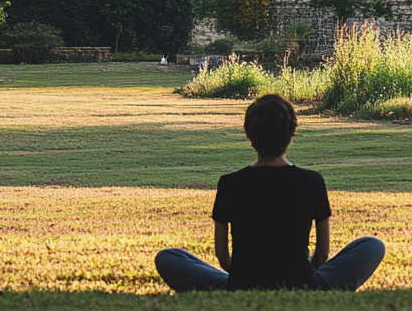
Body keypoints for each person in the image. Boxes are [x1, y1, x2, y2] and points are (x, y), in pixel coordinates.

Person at [155, 93, 385, 291]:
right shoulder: (311, 181)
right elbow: (322, 255)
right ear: (291, 132)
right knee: (372, 245)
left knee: (169, 257)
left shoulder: (230, 183)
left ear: (249, 133)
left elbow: (223, 257)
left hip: (242, 283)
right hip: (302, 282)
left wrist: (250, 274)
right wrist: (300, 268)